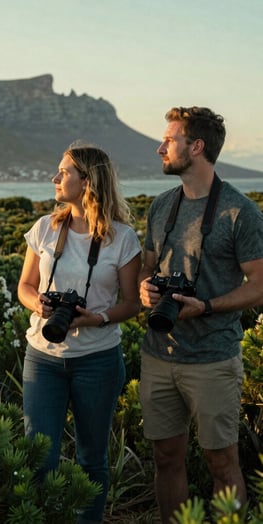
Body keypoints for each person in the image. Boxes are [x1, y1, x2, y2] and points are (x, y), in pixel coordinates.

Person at [138, 106, 263, 523]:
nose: (160, 148)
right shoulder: (161, 206)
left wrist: (206, 306)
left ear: (196, 146)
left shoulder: (238, 211)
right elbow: (146, 267)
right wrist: (144, 287)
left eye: (169, 140)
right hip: (159, 354)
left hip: (212, 358)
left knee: (221, 462)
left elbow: (260, 284)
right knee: (165, 456)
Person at [17, 143, 141, 523]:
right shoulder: (45, 228)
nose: (55, 179)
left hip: (98, 361)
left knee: (92, 459)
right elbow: (24, 285)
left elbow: (132, 304)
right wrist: (39, 305)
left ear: (87, 182)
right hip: (43, 359)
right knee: (40, 459)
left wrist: (96, 319)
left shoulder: (122, 238)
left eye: (64, 173)